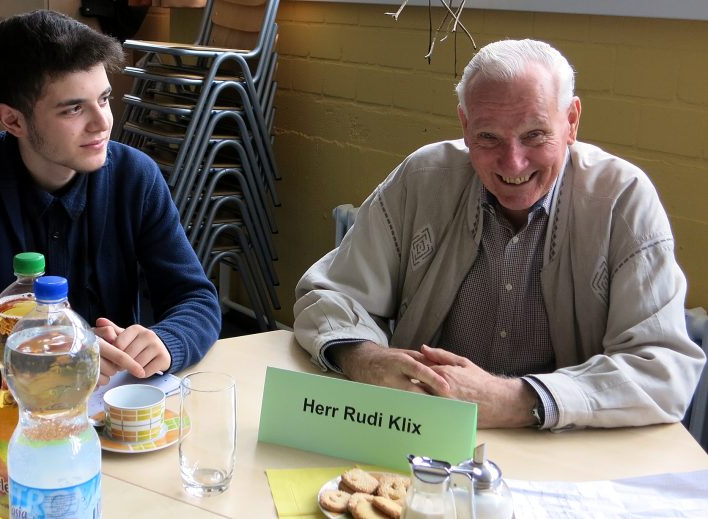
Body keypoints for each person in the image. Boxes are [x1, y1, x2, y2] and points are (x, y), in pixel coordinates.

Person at [293, 39, 705, 431]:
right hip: (426, 431)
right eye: (488, 136)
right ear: (464, 123)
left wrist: (513, 399)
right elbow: (330, 295)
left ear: (572, 122)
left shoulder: (623, 199)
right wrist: (366, 358)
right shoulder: (422, 179)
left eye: (535, 134)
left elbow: (662, 367)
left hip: (565, 444)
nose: (513, 162)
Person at [0, 10, 221, 394]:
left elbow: (195, 298)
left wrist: (167, 340)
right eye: (73, 108)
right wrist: (36, 364)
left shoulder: (136, 177)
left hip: (113, 413)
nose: (102, 123)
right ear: (12, 121)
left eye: (104, 99)